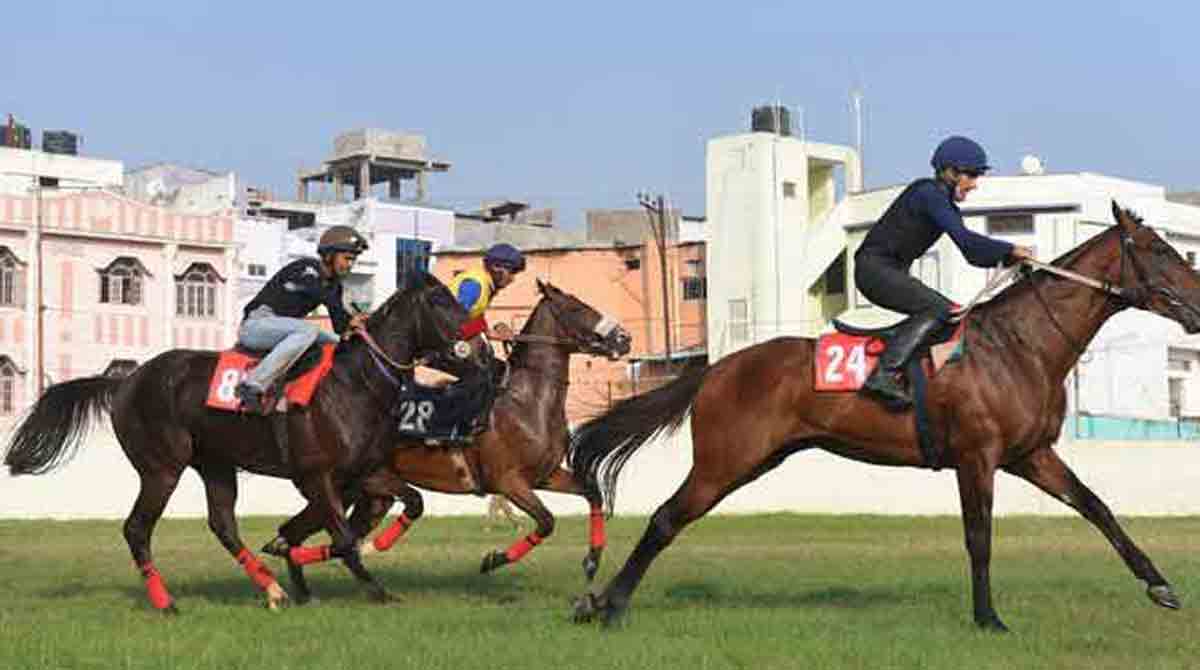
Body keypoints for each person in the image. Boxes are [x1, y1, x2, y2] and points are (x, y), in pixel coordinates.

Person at [854, 136, 1035, 409]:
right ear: (950, 173)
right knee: (940, 310)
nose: (974, 184)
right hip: (874, 271)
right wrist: (1009, 249)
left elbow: (972, 254)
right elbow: (967, 242)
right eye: (971, 175)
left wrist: (1007, 256)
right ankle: (884, 374)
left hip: (886, 270)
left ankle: (913, 367)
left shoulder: (942, 202)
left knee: (949, 313)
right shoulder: (929, 194)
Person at [235, 225, 369, 418]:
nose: (350, 264)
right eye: (347, 258)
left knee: (337, 344)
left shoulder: (334, 287)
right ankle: (251, 385)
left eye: (353, 260)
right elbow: (322, 295)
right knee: (308, 331)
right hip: (255, 326)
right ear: (329, 256)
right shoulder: (307, 269)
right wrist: (350, 317)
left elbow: (340, 327)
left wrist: (358, 329)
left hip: (284, 329)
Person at [448, 242, 527, 346]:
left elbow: (474, 315)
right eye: (511, 272)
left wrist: (490, 332)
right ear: (496, 267)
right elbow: (453, 321)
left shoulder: (486, 284)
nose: (512, 279)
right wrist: (487, 333)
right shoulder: (474, 285)